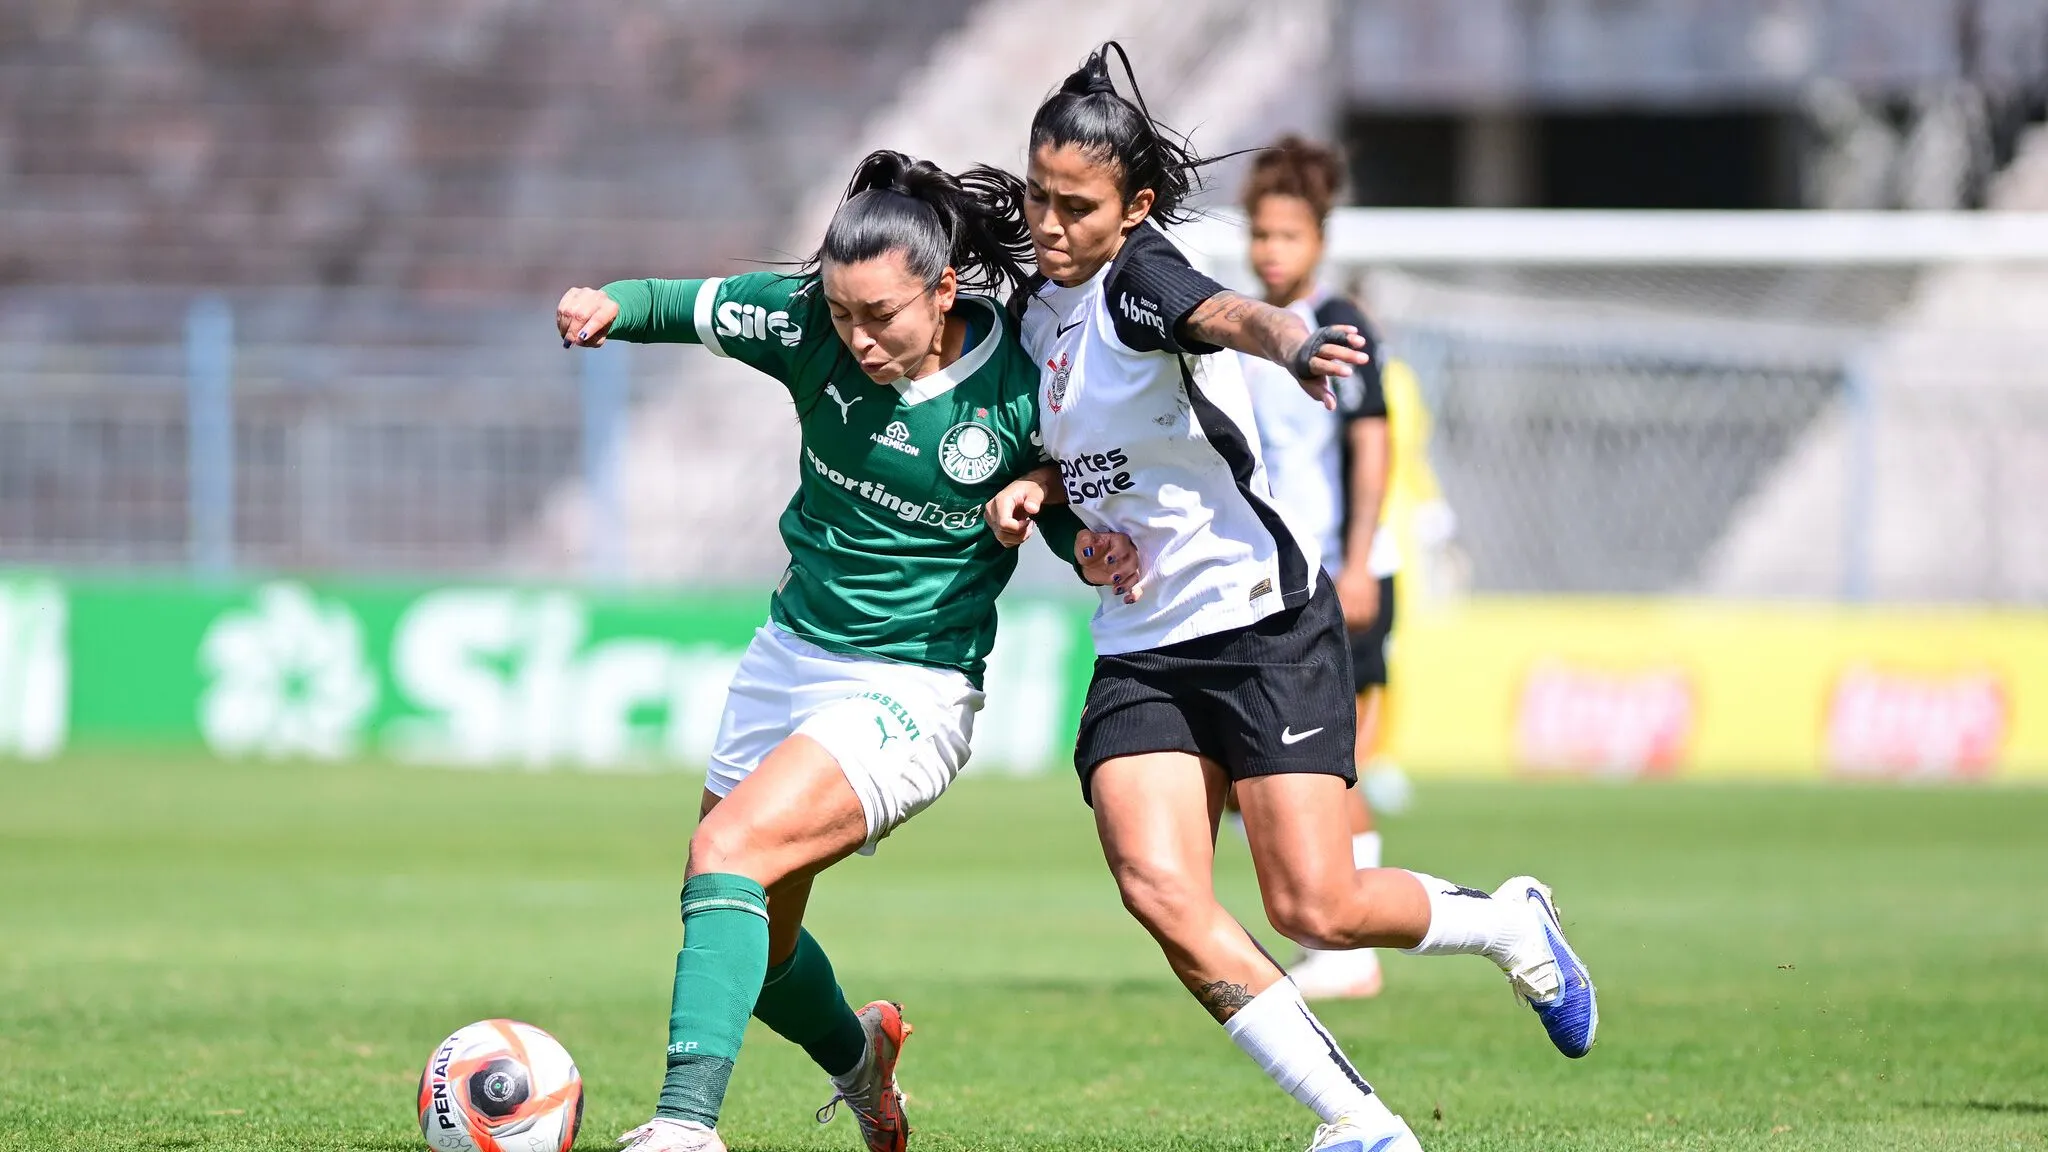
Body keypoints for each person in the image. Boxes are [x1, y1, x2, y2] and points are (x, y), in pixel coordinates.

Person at [985, 45, 1598, 1152]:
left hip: (1261, 625)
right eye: (1036, 195)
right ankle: (1359, 1123)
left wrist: (1294, 341)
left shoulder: (1141, 278)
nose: (1047, 221)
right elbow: (1069, 442)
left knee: (1315, 907)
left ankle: (1510, 923)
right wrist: (1038, 489)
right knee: (1160, 889)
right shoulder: (1037, 312)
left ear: (1133, 209)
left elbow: (1227, 315)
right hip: (1141, 647)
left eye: (1075, 205)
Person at [555, 149, 1142, 1152]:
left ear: (943, 287)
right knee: (751, 934)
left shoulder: (1014, 379)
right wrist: (607, 304)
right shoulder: (803, 324)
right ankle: (860, 1063)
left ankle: (683, 1130)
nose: (857, 339)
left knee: (725, 851)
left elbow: (1059, 493)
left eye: (880, 317)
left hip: (909, 687)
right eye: (841, 316)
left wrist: (1071, 531)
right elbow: (686, 303)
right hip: (787, 655)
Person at [1234, 136, 1397, 1001]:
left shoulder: (1341, 323)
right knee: (1258, 770)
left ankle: (1350, 944)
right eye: (1261, 234)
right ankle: (1337, 935)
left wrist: (1362, 561)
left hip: (1343, 574)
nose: (1270, 252)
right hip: (1281, 583)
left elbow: (1372, 445)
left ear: (1319, 241)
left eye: (1287, 236)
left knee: (1329, 765)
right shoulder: (1244, 331)